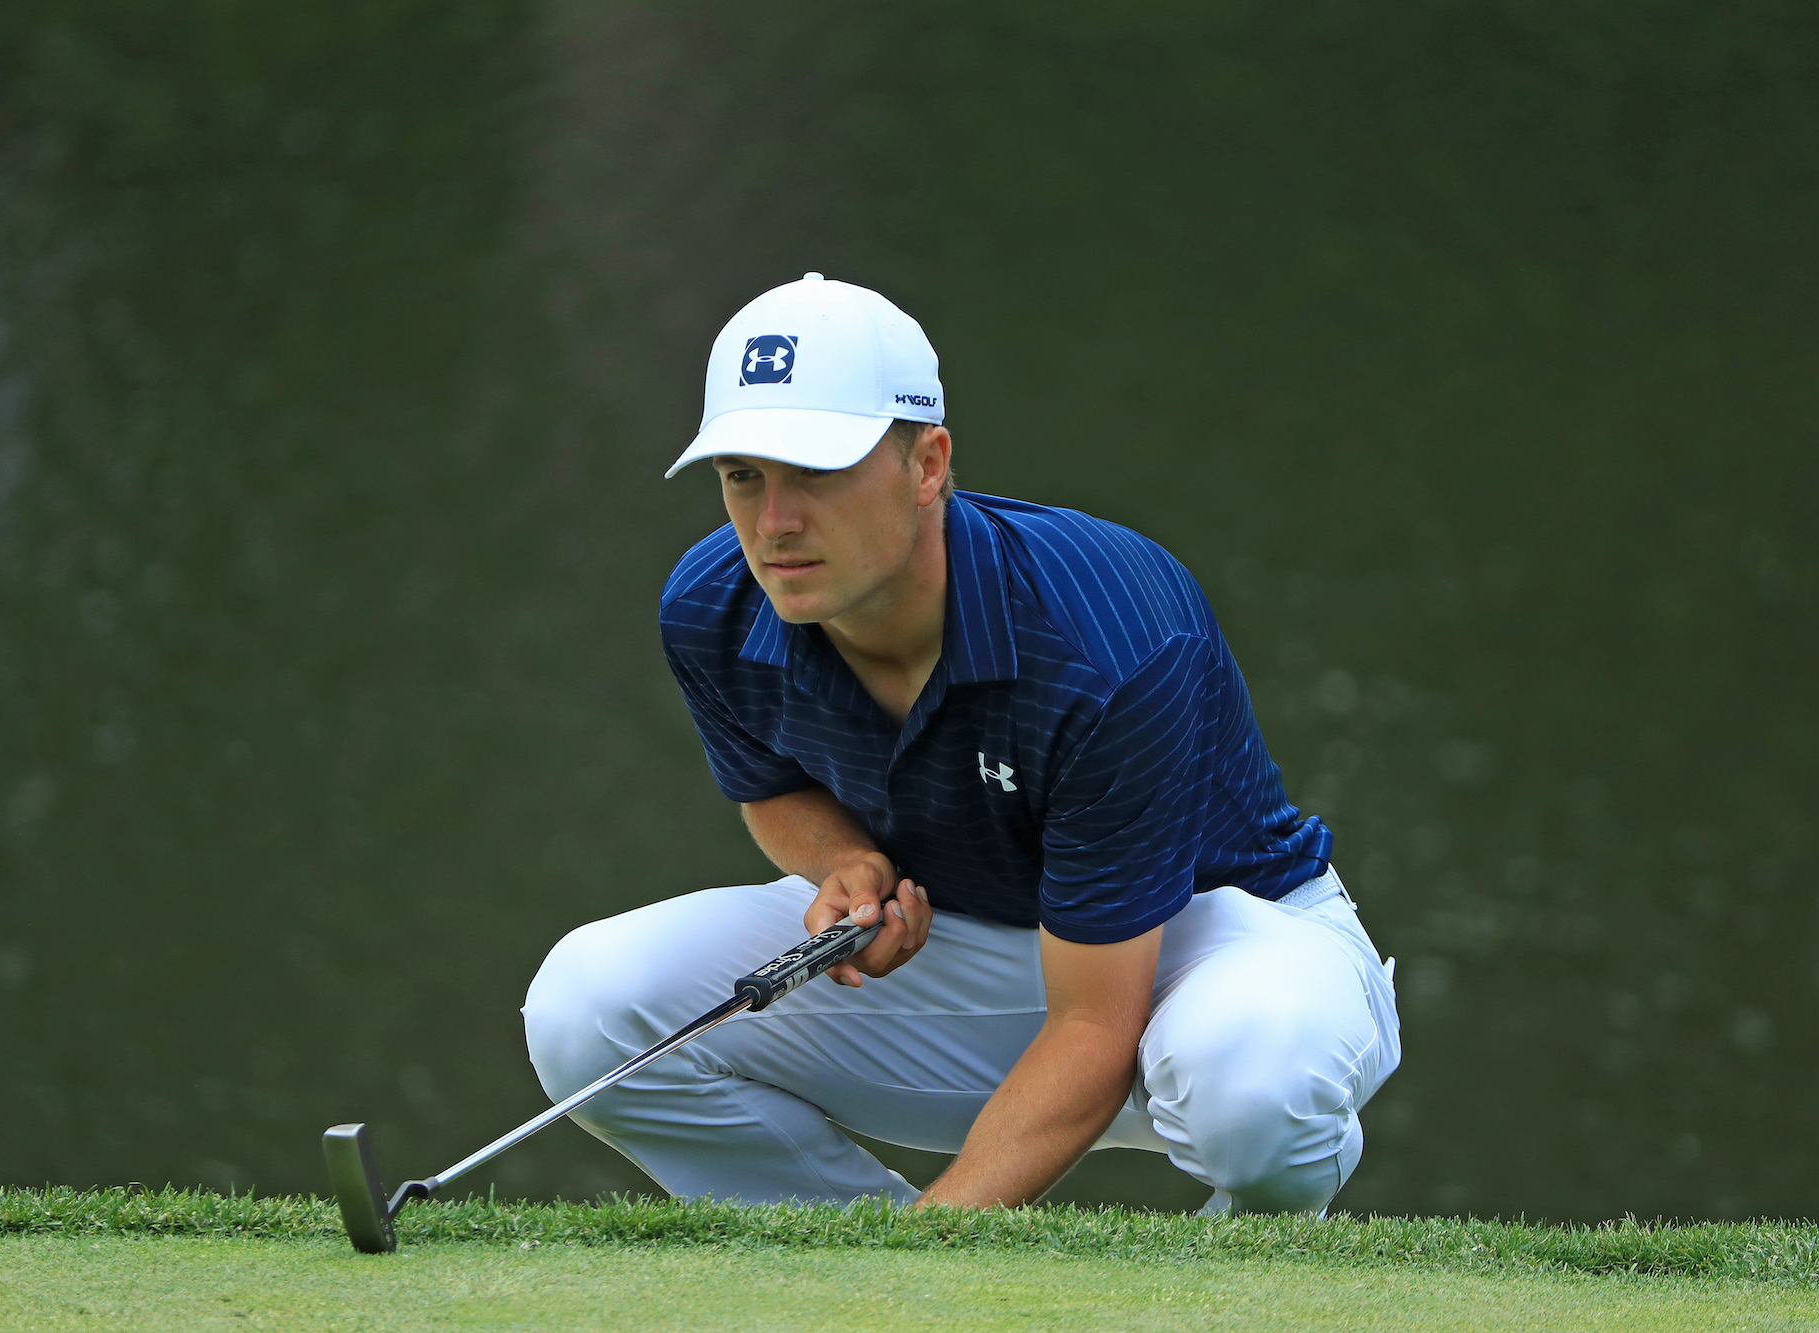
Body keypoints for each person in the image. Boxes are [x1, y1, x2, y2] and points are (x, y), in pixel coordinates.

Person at [523, 273, 1400, 1214]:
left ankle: (1222, 1285)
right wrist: (845, 859)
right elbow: (771, 789)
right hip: (979, 946)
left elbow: (1097, 1020)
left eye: (815, 472)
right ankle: (838, 1272)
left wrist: (933, 1262)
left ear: (928, 463)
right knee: (588, 1011)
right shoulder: (712, 604)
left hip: (1216, 948)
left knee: (1254, 1095)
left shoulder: (1108, 636)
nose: (774, 522)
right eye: (744, 475)